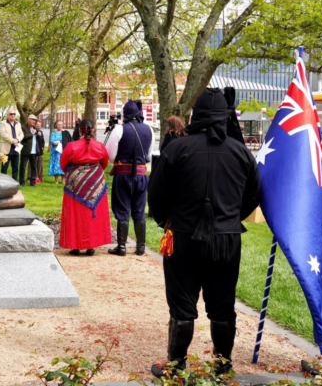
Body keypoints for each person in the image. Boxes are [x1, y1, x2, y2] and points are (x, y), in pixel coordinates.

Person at [148, 87, 260, 377]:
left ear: (195, 115)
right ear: (226, 116)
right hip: (226, 239)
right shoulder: (242, 153)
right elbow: (253, 196)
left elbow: (156, 196)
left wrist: (168, 222)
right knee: (223, 305)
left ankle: (176, 367)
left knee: (183, 305)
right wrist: (230, 219)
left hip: (183, 236)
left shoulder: (176, 149)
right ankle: (222, 367)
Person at [105, 100, 155, 256]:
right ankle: (140, 247)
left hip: (123, 174)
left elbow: (110, 155)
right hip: (141, 175)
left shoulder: (120, 129)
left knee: (122, 208)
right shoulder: (150, 130)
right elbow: (149, 155)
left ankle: (121, 247)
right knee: (139, 209)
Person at [59, 119, 111, 256]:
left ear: (79, 130)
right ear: (92, 130)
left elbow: (63, 164)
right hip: (95, 182)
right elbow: (104, 163)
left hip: (75, 184)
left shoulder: (71, 146)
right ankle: (91, 246)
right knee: (91, 214)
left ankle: (75, 246)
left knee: (76, 214)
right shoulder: (99, 146)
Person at [0, 109, 23, 181]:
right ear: (7, 115)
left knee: (15, 168)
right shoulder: (3, 123)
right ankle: (3, 183)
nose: (12, 115)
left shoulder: (18, 124)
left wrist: (17, 140)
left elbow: (21, 134)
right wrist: (13, 141)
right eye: (11, 114)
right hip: (5, 150)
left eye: (14, 114)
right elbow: (3, 134)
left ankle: (14, 183)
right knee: (4, 168)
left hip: (16, 149)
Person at [18, 114, 39, 187]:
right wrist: (32, 134)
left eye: (35, 120)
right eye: (33, 120)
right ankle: (22, 182)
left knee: (33, 167)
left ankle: (32, 182)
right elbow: (23, 137)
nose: (34, 121)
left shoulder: (35, 128)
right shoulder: (23, 127)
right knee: (23, 167)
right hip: (26, 150)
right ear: (29, 119)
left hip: (34, 151)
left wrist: (39, 134)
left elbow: (39, 138)